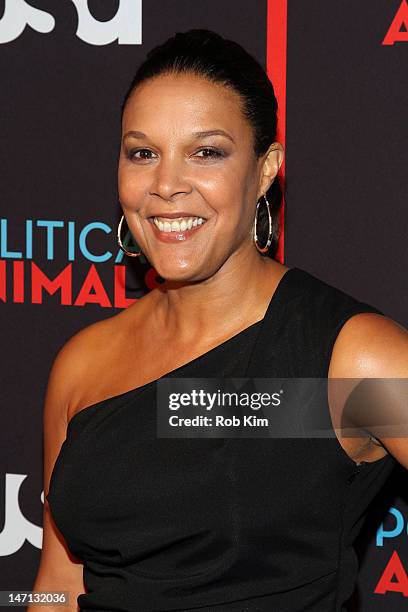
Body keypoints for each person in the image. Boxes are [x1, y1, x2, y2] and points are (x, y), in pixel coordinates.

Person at [30, 29, 408, 612]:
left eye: (207, 152)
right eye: (142, 152)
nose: (166, 185)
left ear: (265, 170)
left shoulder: (351, 362)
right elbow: (59, 583)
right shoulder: (85, 362)